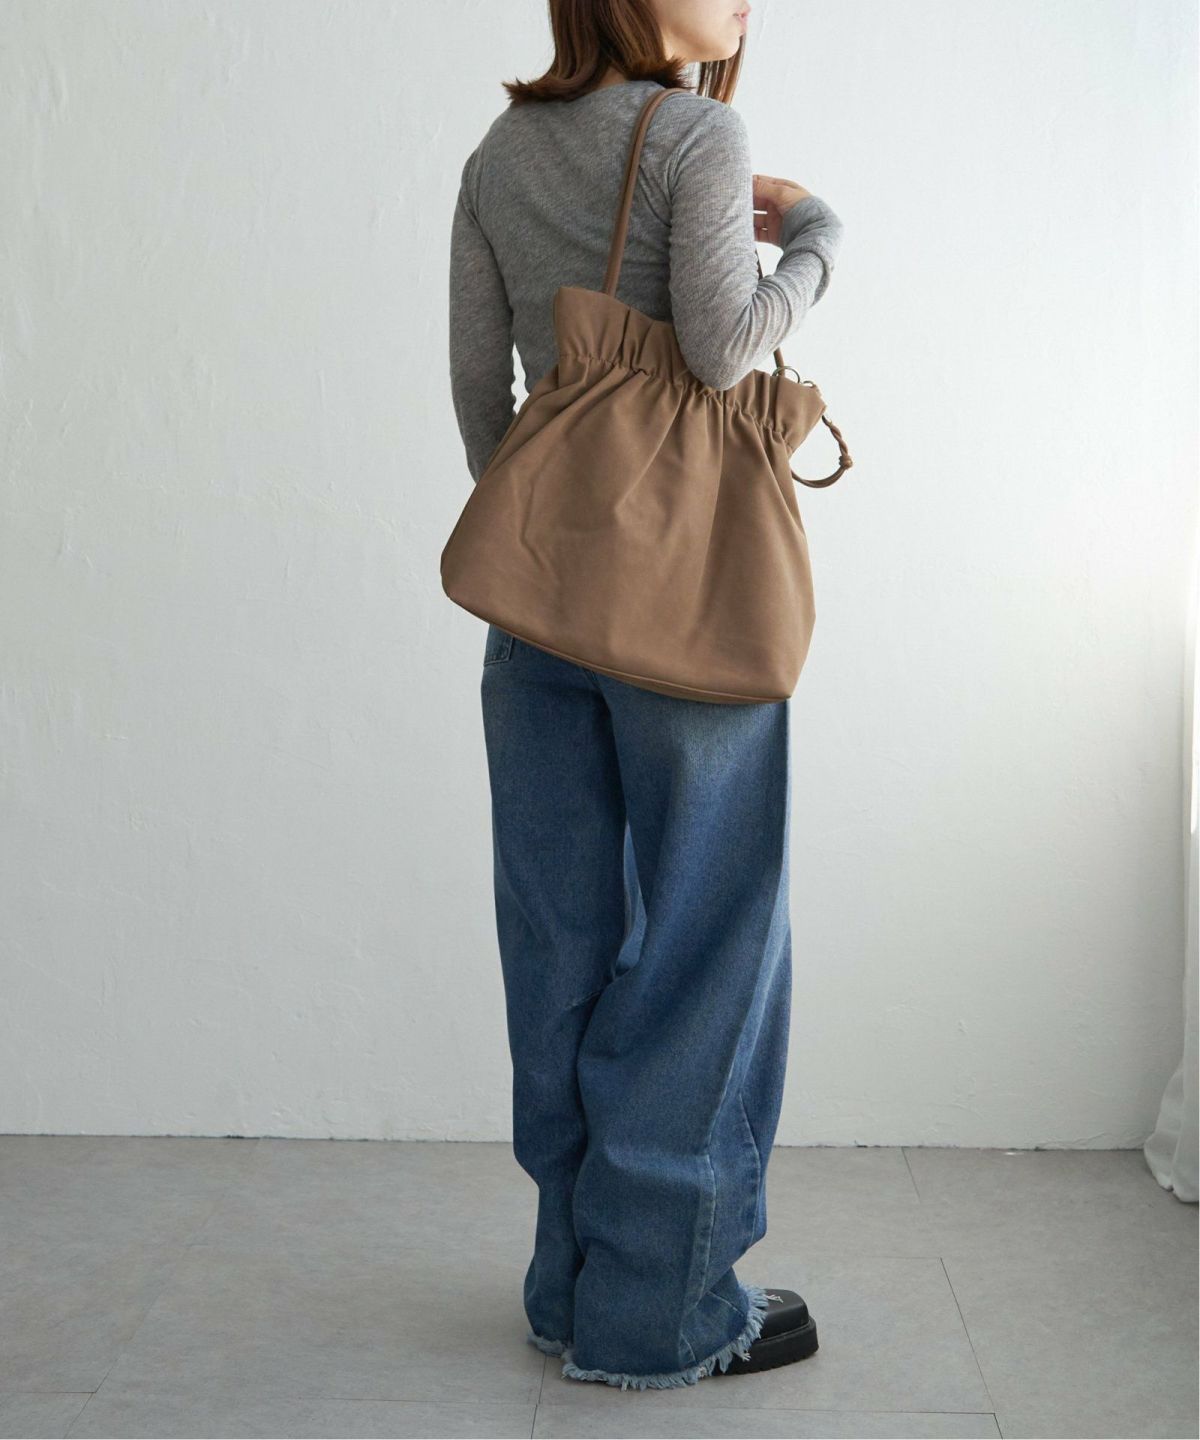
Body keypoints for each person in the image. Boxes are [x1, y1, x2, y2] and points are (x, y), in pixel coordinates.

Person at [447, 0, 845, 1392]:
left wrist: (556, 536)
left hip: (538, 603)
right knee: (705, 945)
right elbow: (727, 349)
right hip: (688, 613)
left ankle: (570, 1286)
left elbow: (479, 386)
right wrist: (816, 243)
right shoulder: (697, 135)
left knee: (560, 942)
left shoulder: (501, 151)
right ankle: (662, 1311)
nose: (744, 1)